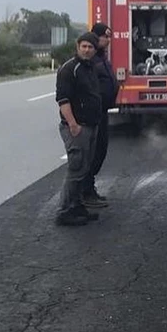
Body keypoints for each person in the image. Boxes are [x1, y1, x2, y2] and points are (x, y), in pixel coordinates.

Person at [54, 33, 103, 226]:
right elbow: (63, 100)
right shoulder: (69, 69)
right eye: (83, 46)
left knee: (84, 168)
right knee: (76, 169)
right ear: (77, 46)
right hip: (77, 128)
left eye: (90, 47)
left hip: (91, 125)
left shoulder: (89, 68)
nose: (86, 50)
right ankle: (64, 211)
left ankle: (77, 206)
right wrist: (73, 125)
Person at [82, 22, 119, 207]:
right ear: (97, 37)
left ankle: (89, 189)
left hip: (102, 112)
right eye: (106, 36)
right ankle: (84, 193)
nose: (109, 40)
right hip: (92, 115)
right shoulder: (90, 60)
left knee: (100, 151)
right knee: (91, 154)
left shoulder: (102, 57)